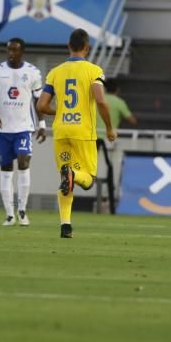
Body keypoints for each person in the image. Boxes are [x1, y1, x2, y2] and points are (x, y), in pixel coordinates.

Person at [35, 29, 116, 239]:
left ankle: (65, 226)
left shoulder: (55, 72)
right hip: (82, 132)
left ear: (68, 47)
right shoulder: (94, 70)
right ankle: (71, 175)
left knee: (65, 180)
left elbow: (41, 105)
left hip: (61, 131)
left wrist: (59, 111)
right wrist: (109, 128)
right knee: (87, 179)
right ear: (87, 47)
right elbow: (100, 100)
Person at [0, 38, 45, 227]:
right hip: (3, 130)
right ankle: (9, 215)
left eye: (15, 50)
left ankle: (22, 210)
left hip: (23, 128)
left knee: (23, 161)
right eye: (9, 49)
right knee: (6, 169)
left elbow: (38, 100)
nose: (11, 53)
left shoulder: (33, 72)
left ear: (22, 52)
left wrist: (42, 124)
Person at [95, 78, 136, 214]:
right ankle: (107, 200)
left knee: (92, 168)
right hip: (109, 140)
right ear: (117, 89)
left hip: (91, 138)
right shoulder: (119, 102)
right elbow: (131, 120)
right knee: (110, 170)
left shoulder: (96, 100)